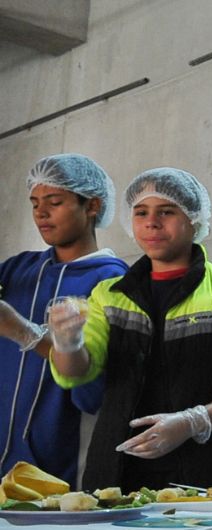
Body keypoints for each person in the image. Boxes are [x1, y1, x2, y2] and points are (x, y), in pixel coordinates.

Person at [48, 168, 212, 492]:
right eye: (141, 212)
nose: (151, 223)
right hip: (117, 474)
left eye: (166, 212)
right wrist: (68, 343)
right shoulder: (109, 294)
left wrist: (192, 422)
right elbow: (76, 374)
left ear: (194, 219)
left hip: (210, 476)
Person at [0, 154, 128, 487]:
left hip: (62, 471)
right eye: (34, 203)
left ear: (93, 206)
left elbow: (93, 392)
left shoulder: (112, 283)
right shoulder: (18, 271)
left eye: (54, 202)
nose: (41, 213)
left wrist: (24, 332)